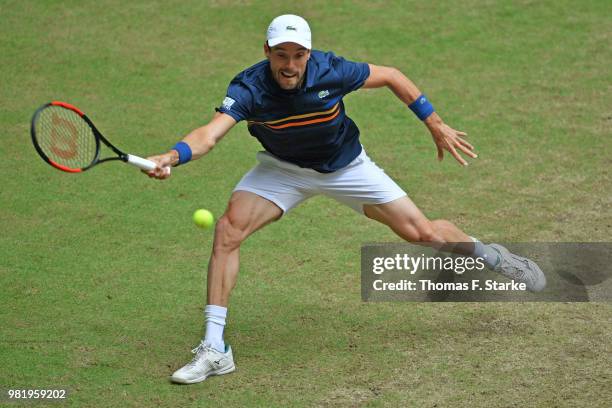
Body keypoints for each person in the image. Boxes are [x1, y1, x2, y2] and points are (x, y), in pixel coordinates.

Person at [144, 14, 546, 384]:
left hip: (346, 167)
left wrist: (435, 124)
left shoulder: (330, 70)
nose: (289, 64)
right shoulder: (249, 88)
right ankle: (215, 349)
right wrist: (172, 156)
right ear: (266, 52)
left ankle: (493, 256)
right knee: (228, 230)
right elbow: (210, 135)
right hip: (282, 170)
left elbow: (391, 76)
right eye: (281, 55)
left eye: (298, 55)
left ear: (309, 54)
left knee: (424, 234)